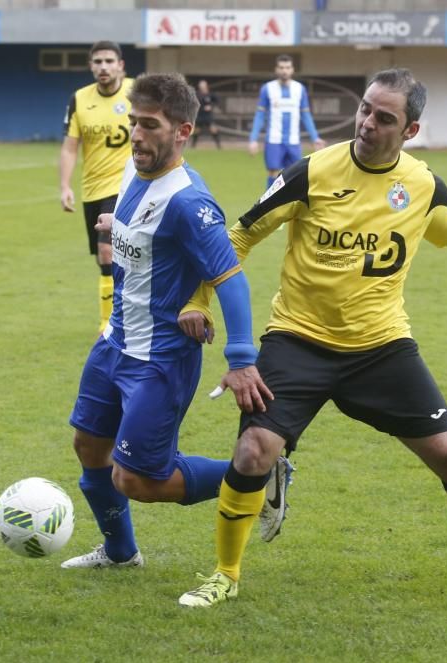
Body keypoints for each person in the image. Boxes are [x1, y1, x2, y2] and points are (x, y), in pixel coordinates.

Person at [177, 68, 447, 608]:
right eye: (365, 109)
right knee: (252, 452)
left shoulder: (423, 186)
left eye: (384, 117)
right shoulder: (312, 171)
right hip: (298, 339)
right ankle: (224, 574)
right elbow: (241, 234)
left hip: (382, 349)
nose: (367, 123)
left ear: (410, 130)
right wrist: (199, 299)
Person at [60, 73, 280, 570]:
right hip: (115, 342)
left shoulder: (189, 202)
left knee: (134, 479)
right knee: (88, 448)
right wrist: (114, 225)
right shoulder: (132, 169)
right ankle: (121, 554)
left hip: (160, 360)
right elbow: (146, 235)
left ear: (182, 131)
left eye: (150, 125)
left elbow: (232, 279)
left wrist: (241, 358)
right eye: (134, 122)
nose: (137, 135)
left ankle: (258, 477)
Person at [59, 41, 134, 333]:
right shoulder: (79, 99)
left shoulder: (136, 92)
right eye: (98, 61)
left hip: (128, 186)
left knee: (107, 251)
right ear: (91, 66)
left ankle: (109, 324)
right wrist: (65, 186)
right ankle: (122, 312)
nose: (103, 67)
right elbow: (69, 148)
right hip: (93, 188)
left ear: (120, 65)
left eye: (109, 61)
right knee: (106, 260)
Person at [248, 54, 326, 189]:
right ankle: (269, 205)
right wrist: (253, 139)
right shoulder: (267, 89)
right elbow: (260, 115)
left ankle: (291, 206)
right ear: (276, 69)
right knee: (273, 172)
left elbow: (306, 115)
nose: (284, 70)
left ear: (292, 70)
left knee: (295, 174)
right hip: (273, 139)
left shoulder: (300, 89)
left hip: (293, 141)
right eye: (281, 67)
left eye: (288, 67)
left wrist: (315, 138)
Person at [191, 79, 221, 150]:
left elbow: (217, 102)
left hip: (208, 115)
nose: (202, 87)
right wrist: (202, 108)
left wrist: (211, 106)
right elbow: (194, 104)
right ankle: (193, 145)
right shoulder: (197, 95)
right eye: (201, 86)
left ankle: (218, 145)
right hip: (200, 115)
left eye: (203, 85)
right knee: (197, 130)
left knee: (213, 129)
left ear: (206, 86)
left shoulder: (211, 94)